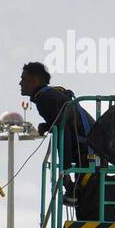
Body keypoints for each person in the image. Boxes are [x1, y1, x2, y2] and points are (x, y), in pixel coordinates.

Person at [19, 62, 93, 203]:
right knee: (84, 199)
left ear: (34, 81)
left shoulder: (46, 99)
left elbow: (63, 131)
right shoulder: (50, 95)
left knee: (86, 198)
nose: (20, 83)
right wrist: (48, 125)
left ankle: (73, 191)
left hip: (89, 152)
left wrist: (64, 172)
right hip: (88, 147)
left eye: (23, 79)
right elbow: (64, 120)